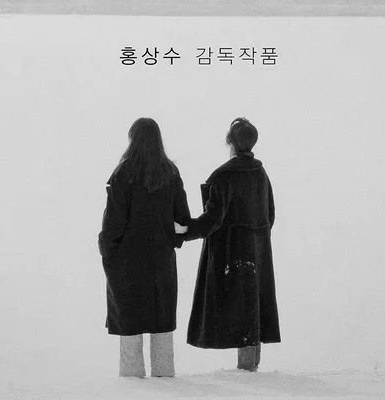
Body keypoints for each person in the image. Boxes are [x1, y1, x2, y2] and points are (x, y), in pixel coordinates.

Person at [175, 117, 280, 372]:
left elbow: (213, 219)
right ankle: (251, 365)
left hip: (230, 251)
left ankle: (246, 370)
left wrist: (185, 231)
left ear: (230, 143)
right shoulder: (260, 173)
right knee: (253, 307)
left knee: (236, 307)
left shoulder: (224, 175)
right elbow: (270, 214)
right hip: (257, 251)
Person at [98, 117, 191, 378]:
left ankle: (133, 387)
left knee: (130, 328)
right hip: (161, 262)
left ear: (133, 140)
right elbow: (182, 219)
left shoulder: (122, 173)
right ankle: (165, 381)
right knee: (162, 327)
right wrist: (172, 239)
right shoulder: (170, 173)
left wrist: (106, 250)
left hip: (127, 263)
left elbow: (113, 224)